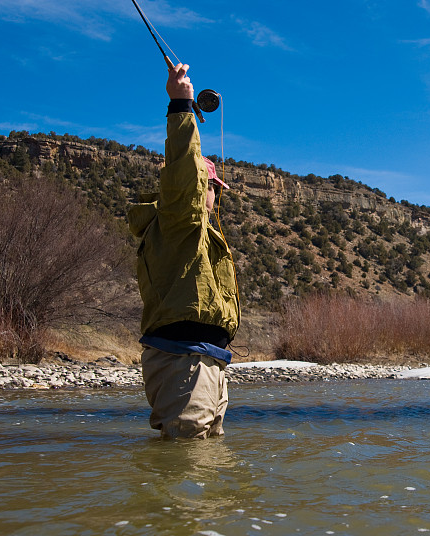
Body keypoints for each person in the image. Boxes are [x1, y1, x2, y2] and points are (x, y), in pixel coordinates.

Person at [127, 63, 240, 439]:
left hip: (206, 359)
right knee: (186, 467)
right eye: (213, 187)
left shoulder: (190, 230)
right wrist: (181, 107)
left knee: (205, 465)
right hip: (184, 360)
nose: (216, 194)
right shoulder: (179, 219)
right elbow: (183, 170)